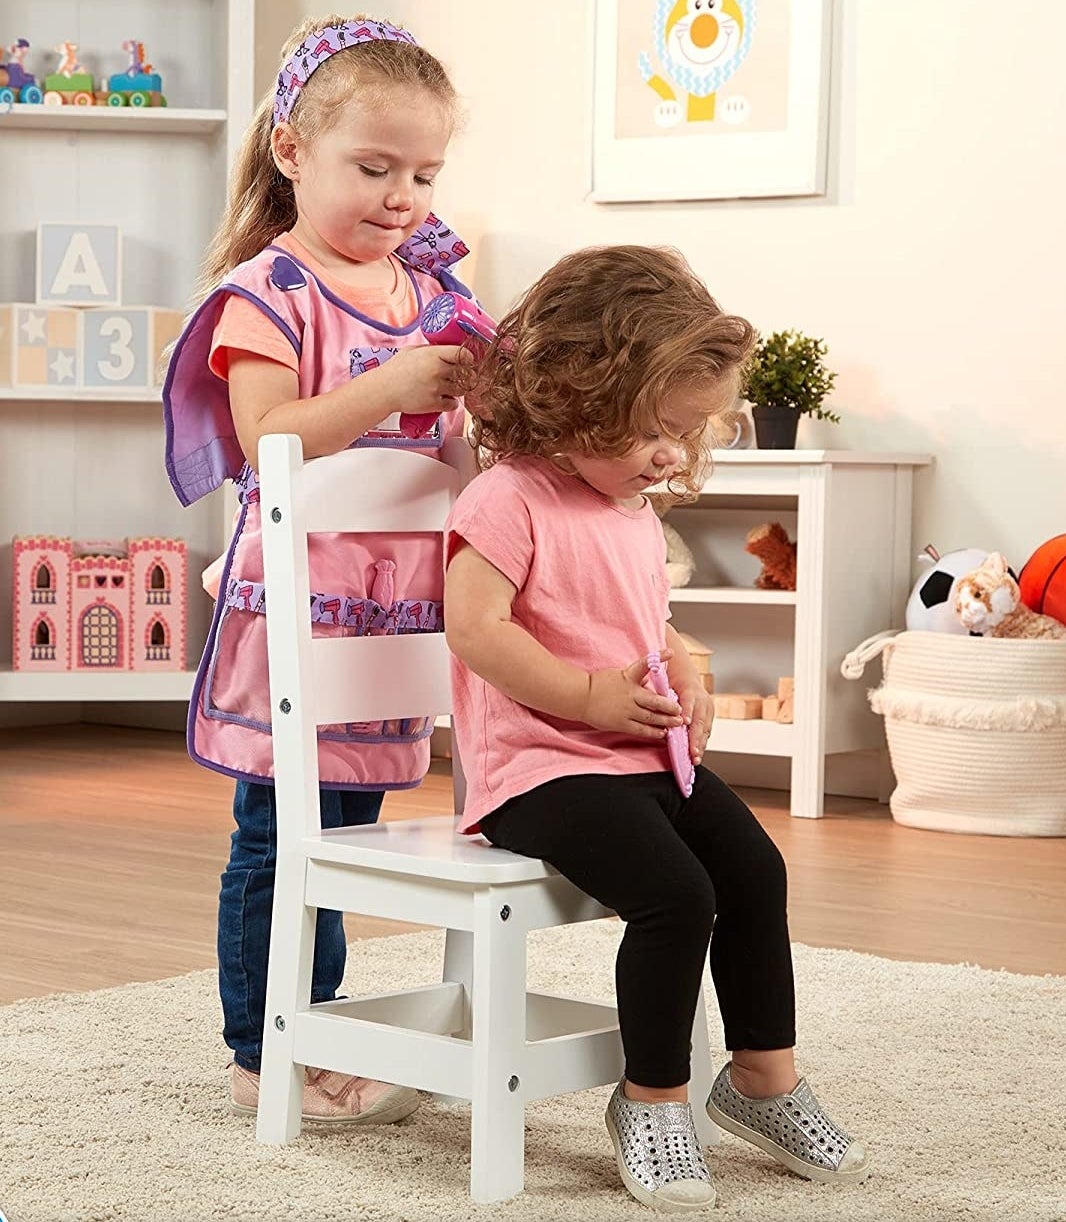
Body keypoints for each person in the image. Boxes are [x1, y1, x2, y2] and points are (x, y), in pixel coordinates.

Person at [444, 246, 871, 1211]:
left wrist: (679, 660)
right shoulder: (506, 498)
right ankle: (651, 1099)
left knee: (755, 872)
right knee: (677, 897)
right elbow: (473, 628)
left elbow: (646, 618)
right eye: (654, 431)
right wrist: (587, 698)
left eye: (686, 432)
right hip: (540, 769)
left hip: (641, 753)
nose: (673, 453)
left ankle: (762, 1077)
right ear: (570, 396)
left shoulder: (627, 505)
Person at [163, 13, 473, 1125]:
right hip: (297, 609)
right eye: (375, 167)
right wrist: (395, 388)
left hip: (393, 614)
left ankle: (327, 1021)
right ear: (293, 151)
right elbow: (268, 439)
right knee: (279, 835)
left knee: (347, 832)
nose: (403, 196)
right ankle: (266, 1042)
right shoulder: (270, 293)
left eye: (425, 173)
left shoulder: (426, 291)